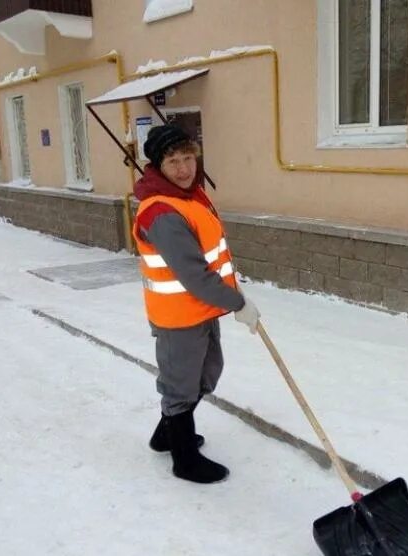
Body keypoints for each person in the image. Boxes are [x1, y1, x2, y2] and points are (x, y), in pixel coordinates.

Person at [132, 124, 259, 484]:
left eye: (189, 158)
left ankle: (166, 435)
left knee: (205, 375)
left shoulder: (189, 197)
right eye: (174, 161)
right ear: (158, 166)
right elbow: (194, 275)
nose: (185, 168)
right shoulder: (162, 212)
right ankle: (184, 459)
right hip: (178, 318)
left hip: (201, 310)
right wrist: (237, 303)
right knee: (180, 386)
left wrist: (233, 294)